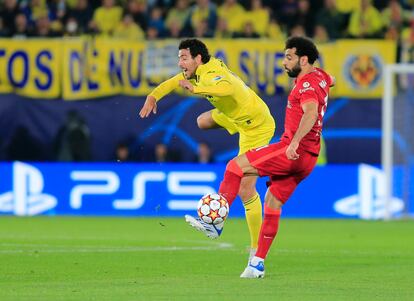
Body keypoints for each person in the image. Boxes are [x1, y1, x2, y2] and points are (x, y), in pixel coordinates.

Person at [139, 38, 276, 262]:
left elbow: (227, 87)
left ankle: (253, 250)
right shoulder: (195, 72)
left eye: (184, 58)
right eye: (179, 58)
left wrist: (197, 89)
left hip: (257, 125)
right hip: (237, 118)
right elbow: (172, 82)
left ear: (198, 58)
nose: (180, 63)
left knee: (246, 188)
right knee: (202, 121)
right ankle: (218, 222)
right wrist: (153, 96)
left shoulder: (211, 74)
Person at [212, 36, 334, 278]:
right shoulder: (321, 77)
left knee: (235, 167)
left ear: (304, 59)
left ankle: (215, 218)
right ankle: (256, 264)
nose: (284, 63)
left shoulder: (307, 85)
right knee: (272, 202)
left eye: (289, 57)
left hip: (293, 150)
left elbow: (310, 113)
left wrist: (296, 141)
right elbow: (332, 80)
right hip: (308, 160)